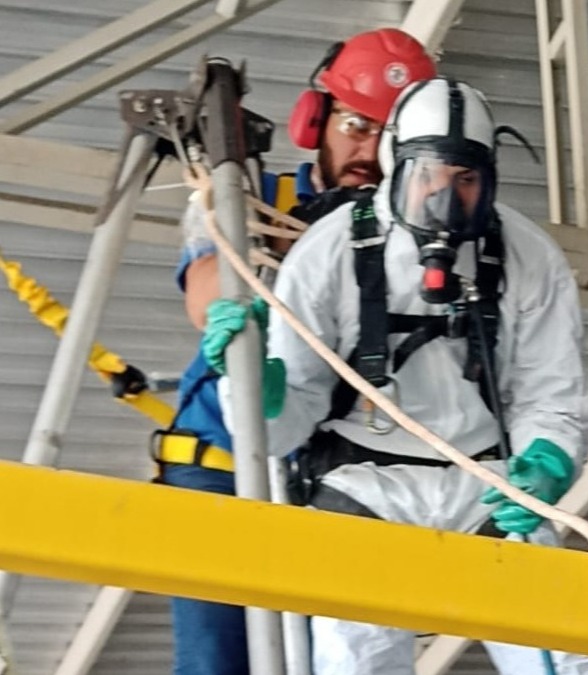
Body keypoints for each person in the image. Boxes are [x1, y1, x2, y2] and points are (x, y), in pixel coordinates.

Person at [207, 76, 588, 675]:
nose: (445, 198)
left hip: (488, 490)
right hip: (362, 488)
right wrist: (261, 392)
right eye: (428, 176)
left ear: (489, 179)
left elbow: (551, 393)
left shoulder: (527, 256)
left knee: (567, 656)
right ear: (396, 164)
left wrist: (545, 463)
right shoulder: (330, 251)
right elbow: (290, 418)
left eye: (465, 180)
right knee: (353, 661)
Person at [156, 28, 436, 675]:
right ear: (316, 120)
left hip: (339, 484)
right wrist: (295, 254)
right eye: (355, 125)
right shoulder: (251, 197)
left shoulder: (421, 246)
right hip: (222, 467)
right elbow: (206, 297)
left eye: (388, 136)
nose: (368, 150)